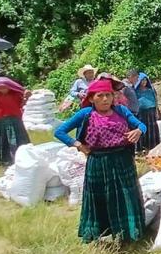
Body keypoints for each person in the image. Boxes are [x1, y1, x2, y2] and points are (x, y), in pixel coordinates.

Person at [54, 79, 146, 244]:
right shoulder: (86, 114)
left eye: (108, 95)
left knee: (125, 196)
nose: (105, 99)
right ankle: (98, 232)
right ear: (91, 98)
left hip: (122, 160)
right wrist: (77, 145)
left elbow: (141, 125)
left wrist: (139, 130)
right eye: (101, 96)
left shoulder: (121, 111)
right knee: (100, 198)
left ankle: (128, 233)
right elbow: (60, 131)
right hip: (98, 162)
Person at [0, 77, 31, 166]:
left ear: (10, 87)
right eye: (0, 87)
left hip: (14, 120)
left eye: (5, 87)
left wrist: (26, 98)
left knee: (18, 139)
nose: (3, 89)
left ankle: (20, 157)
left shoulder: (15, 95)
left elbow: (21, 105)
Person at [128, 69, 160, 153]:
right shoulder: (134, 91)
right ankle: (140, 148)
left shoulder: (151, 90)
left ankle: (152, 147)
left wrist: (157, 111)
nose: (144, 82)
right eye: (142, 80)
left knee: (152, 129)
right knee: (141, 129)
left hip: (151, 112)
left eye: (145, 80)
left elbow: (155, 101)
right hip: (140, 113)